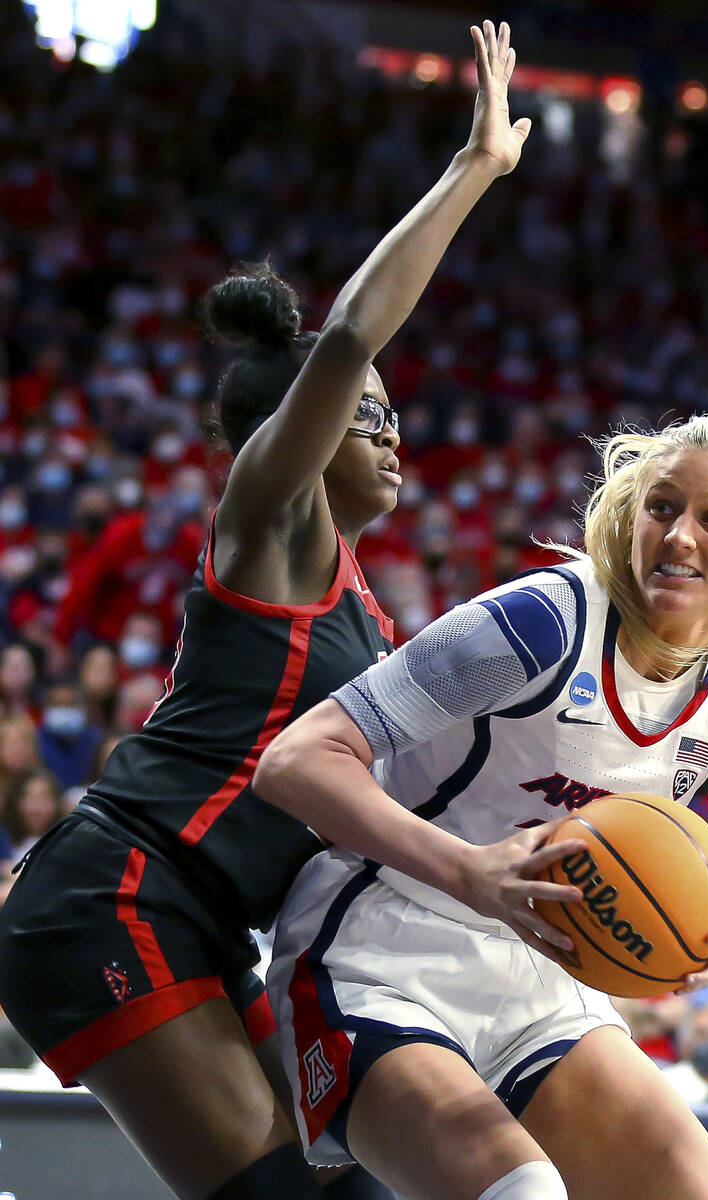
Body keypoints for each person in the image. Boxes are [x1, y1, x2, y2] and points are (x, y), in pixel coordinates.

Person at [0, 21, 537, 1200]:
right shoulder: (267, 525)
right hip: (117, 893)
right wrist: (472, 171)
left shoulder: (361, 607)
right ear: (291, 433)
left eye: (395, 413)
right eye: (366, 413)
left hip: (199, 919)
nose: (391, 430)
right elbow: (348, 334)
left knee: (342, 1186)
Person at [255, 409, 708, 1200]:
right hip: (380, 948)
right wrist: (467, 871)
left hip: (546, 987)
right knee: (520, 1191)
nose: (680, 536)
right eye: (662, 508)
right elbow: (296, 762)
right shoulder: (536, 624)